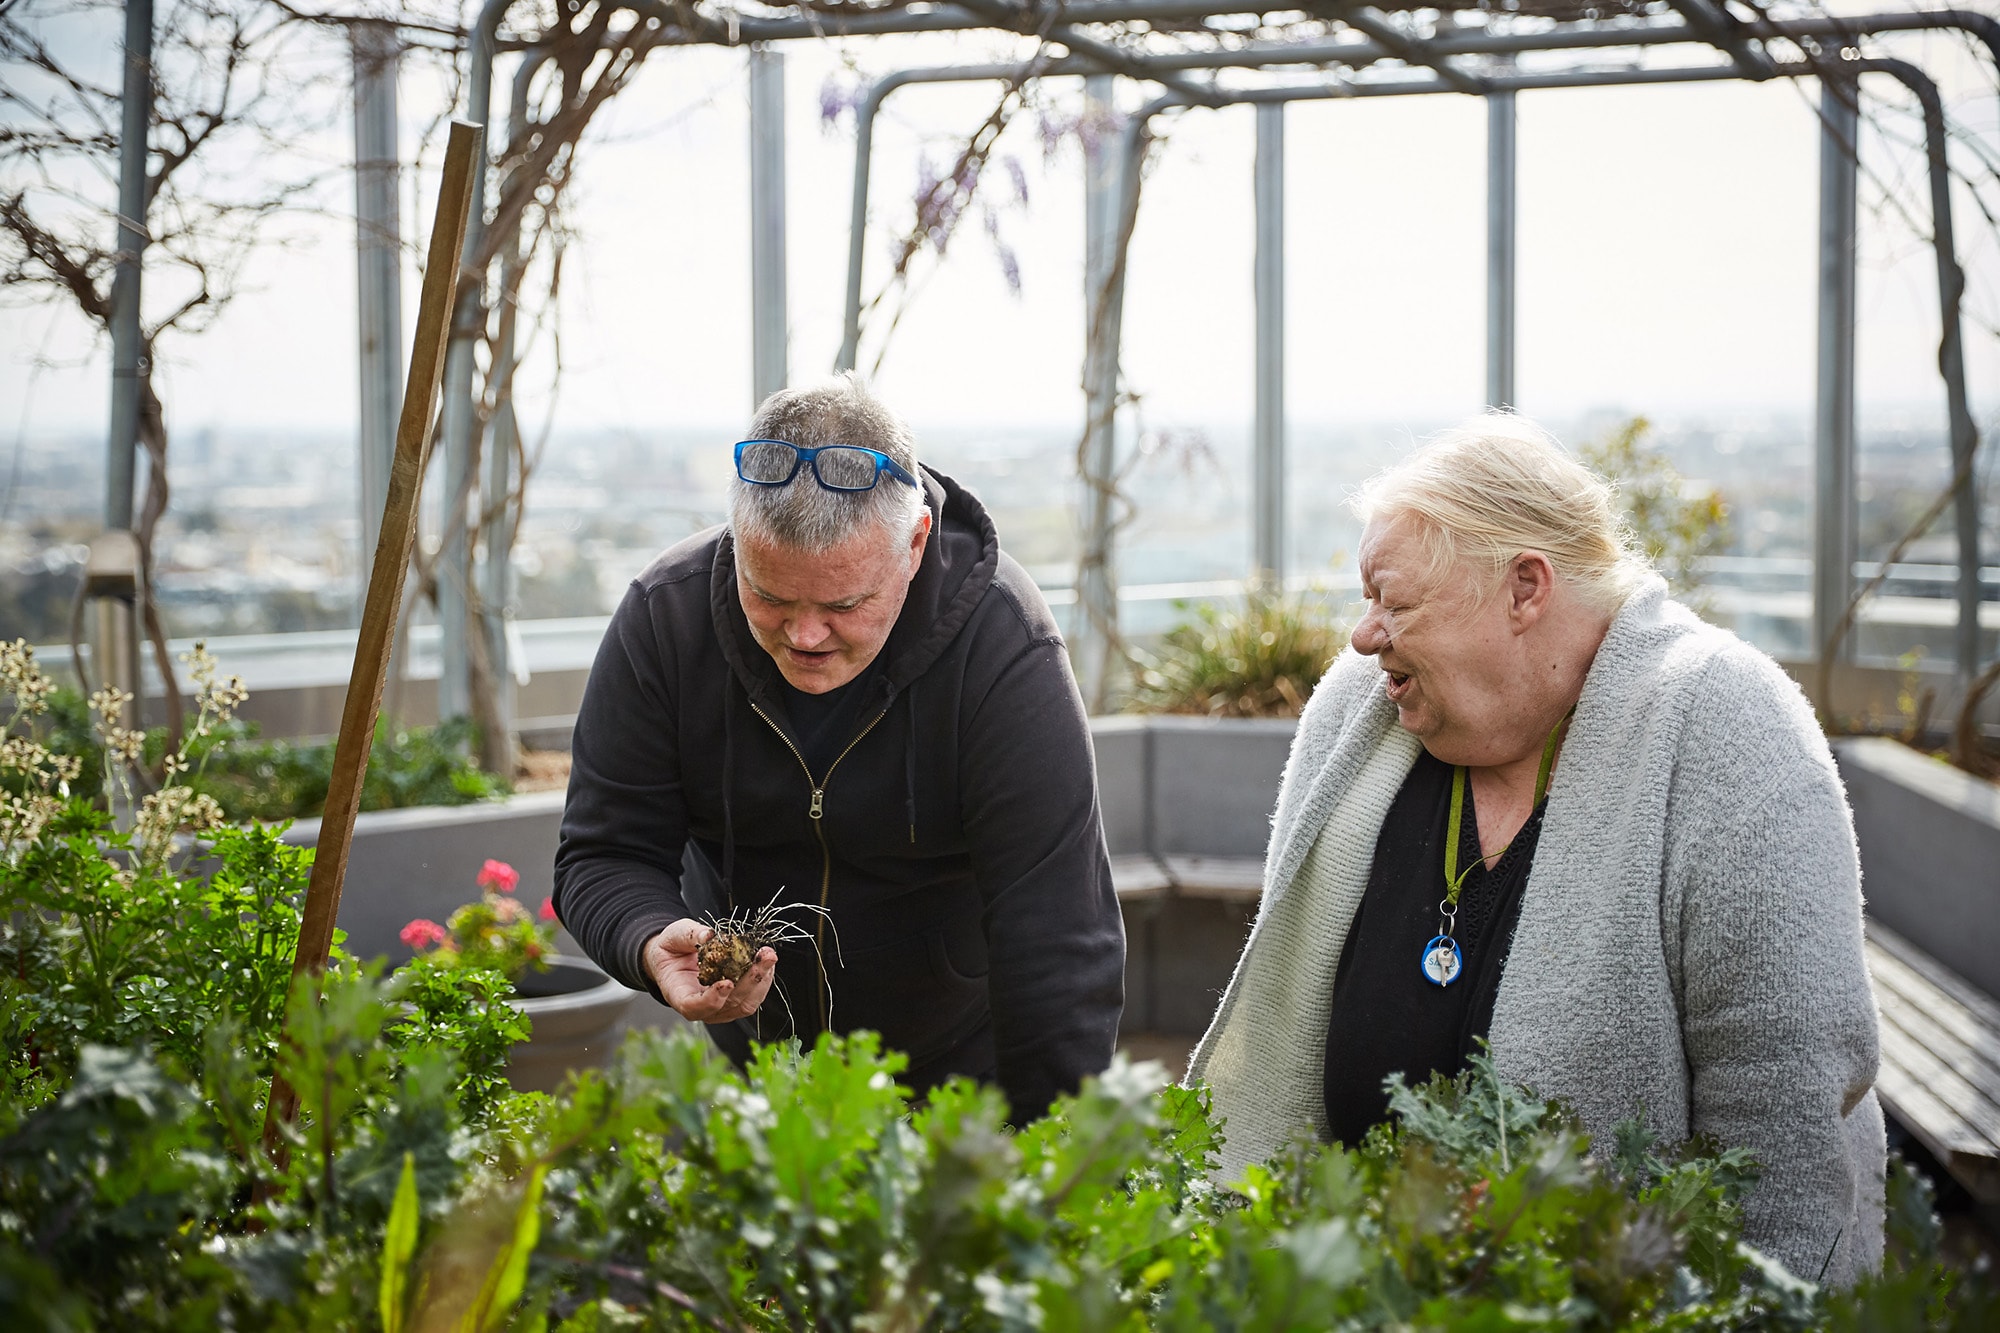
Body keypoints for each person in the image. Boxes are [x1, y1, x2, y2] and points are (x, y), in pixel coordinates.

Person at [1188, 415, 1883, 1284]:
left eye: (1395, 603)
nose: (1365, 636)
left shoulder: (1727, 731)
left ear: (1525, 588)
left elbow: (1784, 1132)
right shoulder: (1356, 716)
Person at [553, 374, 1124, 1123]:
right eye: (770, 595)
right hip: (764, 1073)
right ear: (736, 542)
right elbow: (602, 852)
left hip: (958, 1075)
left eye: (843, 604)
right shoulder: (666, 620)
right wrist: (650, 935)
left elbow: (1057, 939)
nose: (804, 635)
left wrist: (1048, 1166)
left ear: (914, 545)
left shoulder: (1002, 649)